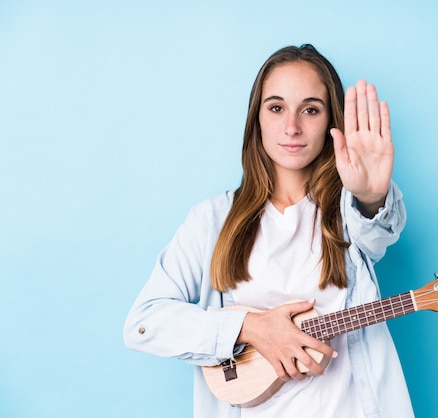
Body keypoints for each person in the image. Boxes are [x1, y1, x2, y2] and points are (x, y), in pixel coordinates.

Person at [123, 44, 414, 418]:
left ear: (331, 122)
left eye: (310, 109)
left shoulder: (347, 212)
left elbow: (378, 232)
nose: (292, 126)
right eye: (276, 108)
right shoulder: (212, 221)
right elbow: (144, 324)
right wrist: (249, 327)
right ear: (256, 118)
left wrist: (371, 198)